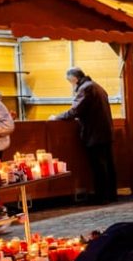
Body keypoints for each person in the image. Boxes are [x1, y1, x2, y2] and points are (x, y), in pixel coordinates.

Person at [49, 68, 117, 204]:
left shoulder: (85, 89)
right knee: (108, 165)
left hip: (94, 133)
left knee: (98, 166)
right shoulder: (97, 86)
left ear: (74, 78)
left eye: (70, 81)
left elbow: (75, 111)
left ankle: (102, 197)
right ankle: (111, 195)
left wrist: (56, 117)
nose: (71, 85)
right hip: (105, 132)